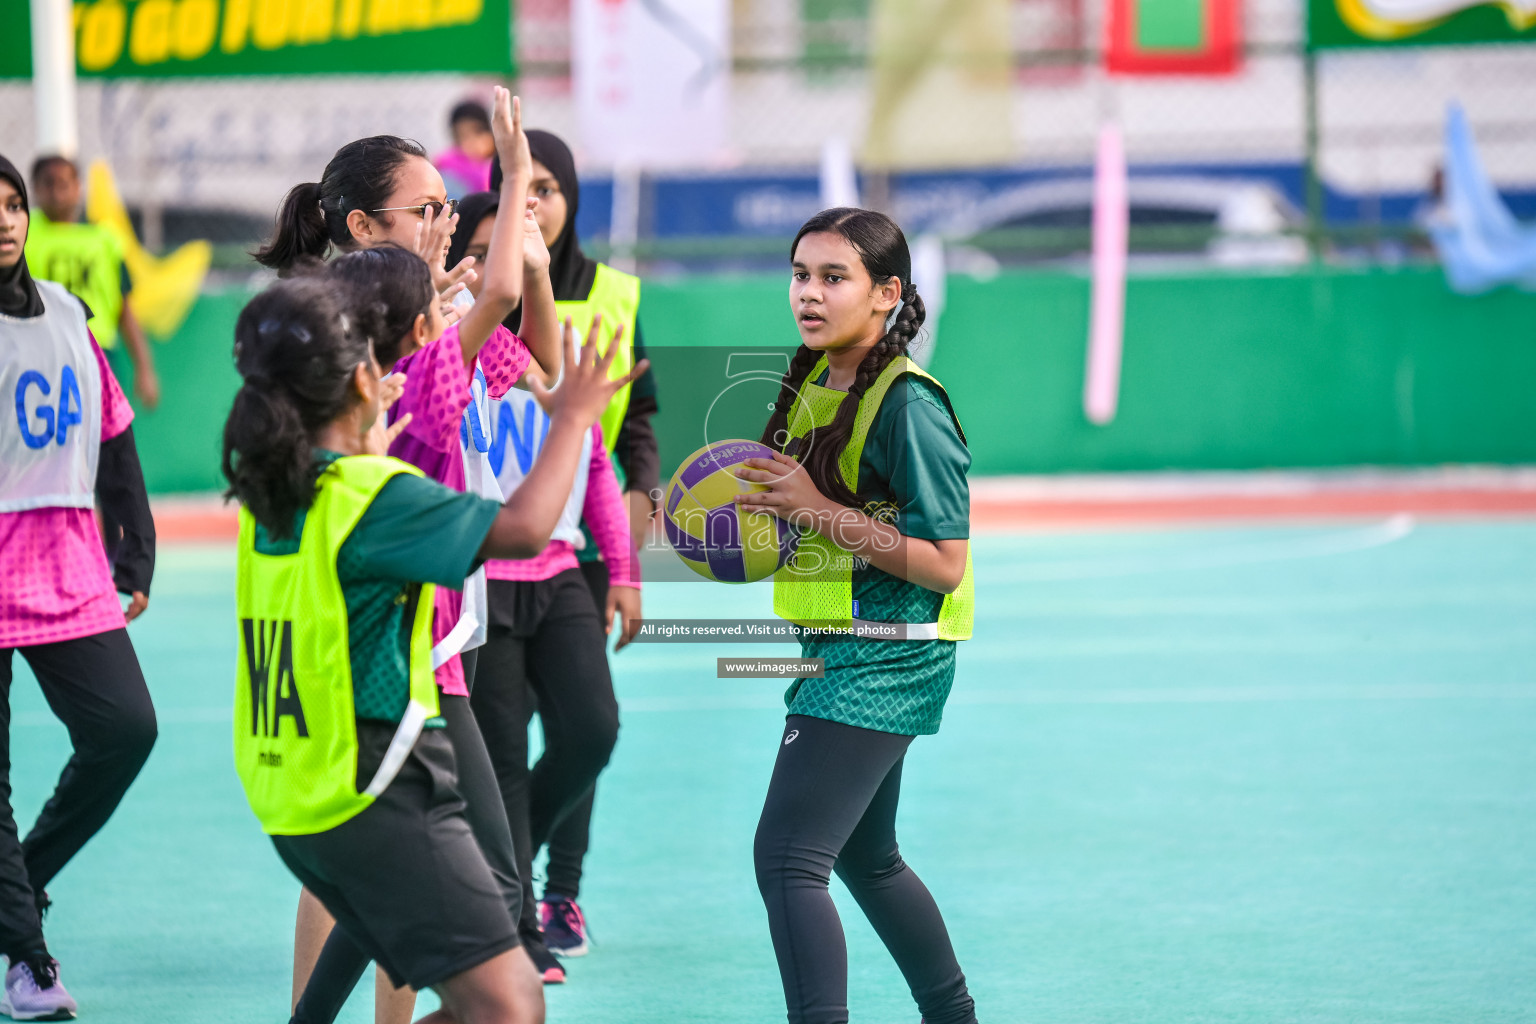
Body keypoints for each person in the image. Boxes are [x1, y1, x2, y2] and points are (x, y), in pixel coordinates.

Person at [222, 274, 645, 1024]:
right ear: (362, 380)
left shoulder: (276, 492)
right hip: (370, 789)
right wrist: (575, 418)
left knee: (407, 941)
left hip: (289, 791)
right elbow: (522, 529)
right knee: (512, 1006)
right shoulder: (370, 496)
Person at [254, 88, 560, 1021]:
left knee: (381, 878)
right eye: (426, 208)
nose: (445, 221)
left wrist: (531, 264)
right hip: (390, 636)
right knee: (461, 879)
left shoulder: (427, 311)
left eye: (448, 205)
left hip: (432, 628)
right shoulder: (353, 330)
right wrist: (511, 185)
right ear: (359, 225)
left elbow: (535, 366)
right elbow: (500, 320)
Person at [732, 207, 979, 1024]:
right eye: (801, 274)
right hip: (835, 641)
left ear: (887, 294)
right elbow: (801, 526)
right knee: (869, 859)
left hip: (889, 651)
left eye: (834, 277)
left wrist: (810, 505)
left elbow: (944, 562)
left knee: (788, 857)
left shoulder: (910, 404)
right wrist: (721, 526)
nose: (809, 293)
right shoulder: (810, 377)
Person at [447, 194, 642, 983]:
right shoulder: (441, 347)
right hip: (482, 579)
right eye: (489, 249)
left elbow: (594, 460)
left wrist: (625, 570)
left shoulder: (549, 341)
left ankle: (519, 870)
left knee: (593, 730)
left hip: (559, 570)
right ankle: (517, 929)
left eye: (518, 248)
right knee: (497, 764)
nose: (506, 261)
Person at [487, 129, 662, 961]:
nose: (536, 205)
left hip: (584, 544)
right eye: (523, 189)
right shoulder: (473, 309)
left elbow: (635, 426)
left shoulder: (617, 293)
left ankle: (560, 894)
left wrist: (633, 535)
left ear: (573, 199)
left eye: (549, 189)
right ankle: (516, 899)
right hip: (495, 552)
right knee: (507, 729)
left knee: (583, 725)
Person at [0, 153, 158, 1021]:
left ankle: (17, 886)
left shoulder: (67, 316)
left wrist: (136, 540)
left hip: (62, 559)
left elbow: (116, 429)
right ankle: (29, 959)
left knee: (126, 731)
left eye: (13, 203)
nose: (7, 219)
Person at [25, 155, 160, 411]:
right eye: (48, 184)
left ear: (78, 187)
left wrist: (144, 368)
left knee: (103, 435)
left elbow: (124, 308)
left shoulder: (105, 240)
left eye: (63, 184)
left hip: (97, 352)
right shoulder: (23, 234)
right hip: (41, 351)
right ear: (35, 188)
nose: (56, 193)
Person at [436, 101, 496, 199]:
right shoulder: (448, 163)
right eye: (463, 136)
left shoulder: (499, 162)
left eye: (477, 132)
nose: (471, 142)